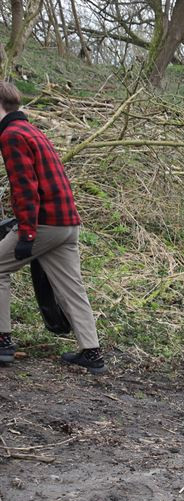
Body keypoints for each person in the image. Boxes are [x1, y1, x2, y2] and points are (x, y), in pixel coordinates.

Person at [0, 82, 106, 374]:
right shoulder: (33, 131)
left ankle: (3, 341)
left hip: (43, 224)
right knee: (72, 287)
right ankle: (92, 352)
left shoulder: (11, 135)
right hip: (67, 223)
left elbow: (24, 188)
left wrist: (27, 233)